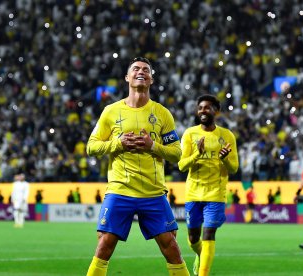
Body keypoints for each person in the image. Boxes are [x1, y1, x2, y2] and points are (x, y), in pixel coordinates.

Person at [86, 57, 189, 276]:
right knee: (105, 244)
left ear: (151, 79)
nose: (140, 72)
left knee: (171, 246)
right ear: (127, 77)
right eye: (135, 69)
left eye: (145, 70)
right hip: (120, 190)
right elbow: (91, 147)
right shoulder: (111, 112)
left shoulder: (162, 113)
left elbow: (177, 154)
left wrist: (153, 146)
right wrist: (118, 143)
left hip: (152, 192)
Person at [178, 94, 239, 276]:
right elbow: (181, 165)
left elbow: (234, 168)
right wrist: (197, 153)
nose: (202, 111)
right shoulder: (190, 134)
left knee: (209, 234)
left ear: (216, 111)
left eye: (207, 107)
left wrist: (224, 159)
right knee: (192, 239)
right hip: (193, 193)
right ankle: (200, 254)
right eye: (200, 108)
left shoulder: (227, 135)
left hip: (215, 193)